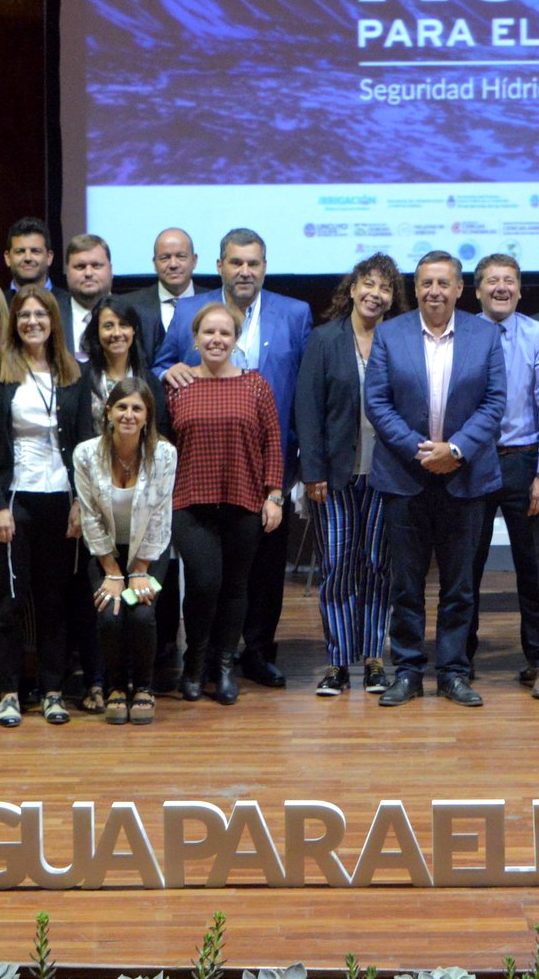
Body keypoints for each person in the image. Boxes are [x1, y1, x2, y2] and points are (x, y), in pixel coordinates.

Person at [152, 228, 310, 689]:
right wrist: (170, 369)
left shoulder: (295, 313)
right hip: (197, 469)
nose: (245, 271)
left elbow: (302, 384)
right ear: (219, 265)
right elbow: (160, 364)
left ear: (264, 267)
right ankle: (200, 659)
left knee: (261, 575)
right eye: (236, 262)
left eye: (254, 263)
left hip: (266, 462)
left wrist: (285, 479)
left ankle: (256, 654)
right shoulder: (187, 310)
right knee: (207, 577)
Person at [366, 252, 507, 707]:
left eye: (444, 283)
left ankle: (453, 671)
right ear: (416, 287)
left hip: (466, 479)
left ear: (460, 289)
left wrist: (456, 450)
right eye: (427, 283)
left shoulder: (485, 335)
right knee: (405, 585)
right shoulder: (390, 334)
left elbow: (494, 402)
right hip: (405, 477)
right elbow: (377, 403)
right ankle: (407, 671)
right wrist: (421, 451)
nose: (435, 291)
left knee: (460, 585)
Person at [0, 289, 95, 725]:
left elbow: (83, 445)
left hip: (60, 498)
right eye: (24, 315)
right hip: (14, 500)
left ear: (54, 322)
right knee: (11, 600)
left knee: (54, 601)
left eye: (41, 314)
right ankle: (8, 692)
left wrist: (79, 502)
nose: (33, 322)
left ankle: (53, 690)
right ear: (13, 322)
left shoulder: (73, 374)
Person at [295, 255, 407, 696]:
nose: (375, 294)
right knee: (338, 566)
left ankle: (376, 660)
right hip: (335, 476)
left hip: (387, 473)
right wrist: (313, 471)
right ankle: (339, 662)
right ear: (353, 288)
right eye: (368, 284)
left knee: (378, 567)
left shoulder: (399, 339)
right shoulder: (325, 340)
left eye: (385, 288)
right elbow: (307, 409)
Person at [167, 302, 285, 704]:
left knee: (236, 587)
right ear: (195, 340)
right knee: (203, 583)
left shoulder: (255, 384)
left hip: (244, 499)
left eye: (225, 333)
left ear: (235, 340)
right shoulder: (176, 386)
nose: (217, 340)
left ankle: (223, 667)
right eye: (208, 333)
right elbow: (162, 447)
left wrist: (273, 495)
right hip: (188, 501)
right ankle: (194, 663)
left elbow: (273, 441)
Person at [464, 253, 539, 697]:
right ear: (478, 290)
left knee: (536, 568)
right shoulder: (461, 333)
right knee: (463, 567)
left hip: (523, 462)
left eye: (509, 281)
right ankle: (457, 659)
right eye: (491, 281)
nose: (501, 287)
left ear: (521, 290)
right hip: (469, 460)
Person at [75, 375, 176, 724]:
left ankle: (144, 688)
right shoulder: (86, 453)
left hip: (150, 549)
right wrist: (113, 570)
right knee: (109, 615)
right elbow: (89, 515)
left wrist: (139, 570)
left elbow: (162, 515)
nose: (128, 414)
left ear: (148, 416)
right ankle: (117, 686)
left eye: (137, 408)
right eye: (121, 407)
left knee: (143, 614)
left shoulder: (164, 454)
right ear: (108, 412)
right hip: (106, 552)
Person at [116, 226, 204, 355]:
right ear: (154, 263)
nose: (173, 264)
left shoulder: (215, 301)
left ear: (194, 260)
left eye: (181, 256)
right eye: (165, 258)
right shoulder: (130, 305)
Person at [57, 234, 115, 359]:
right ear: (67, 272)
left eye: (96, 265)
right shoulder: (52, 317)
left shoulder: (136, 315)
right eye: (80, 267)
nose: (88, 273)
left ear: (111, 270)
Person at [3, 218, 55, 296]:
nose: (28, 258)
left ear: (49, 257)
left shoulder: (70, 304)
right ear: (8, 258)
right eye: (20, 251)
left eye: (35, 251)